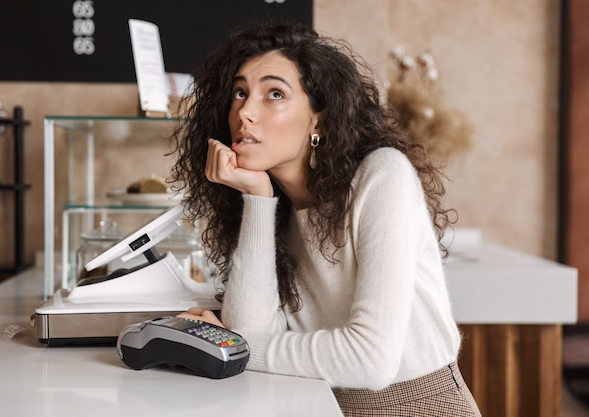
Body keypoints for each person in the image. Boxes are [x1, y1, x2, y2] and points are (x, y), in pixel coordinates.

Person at [171, 23, 481, 417]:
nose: (245, 112)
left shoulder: (383, 175)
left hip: (419, 407)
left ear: (318, 119)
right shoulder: (272, 207)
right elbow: (250, 326)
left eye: (275, 94)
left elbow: (371, 360)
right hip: (323, 406)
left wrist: (238, 350)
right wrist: (257, 196)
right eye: (239, 93)